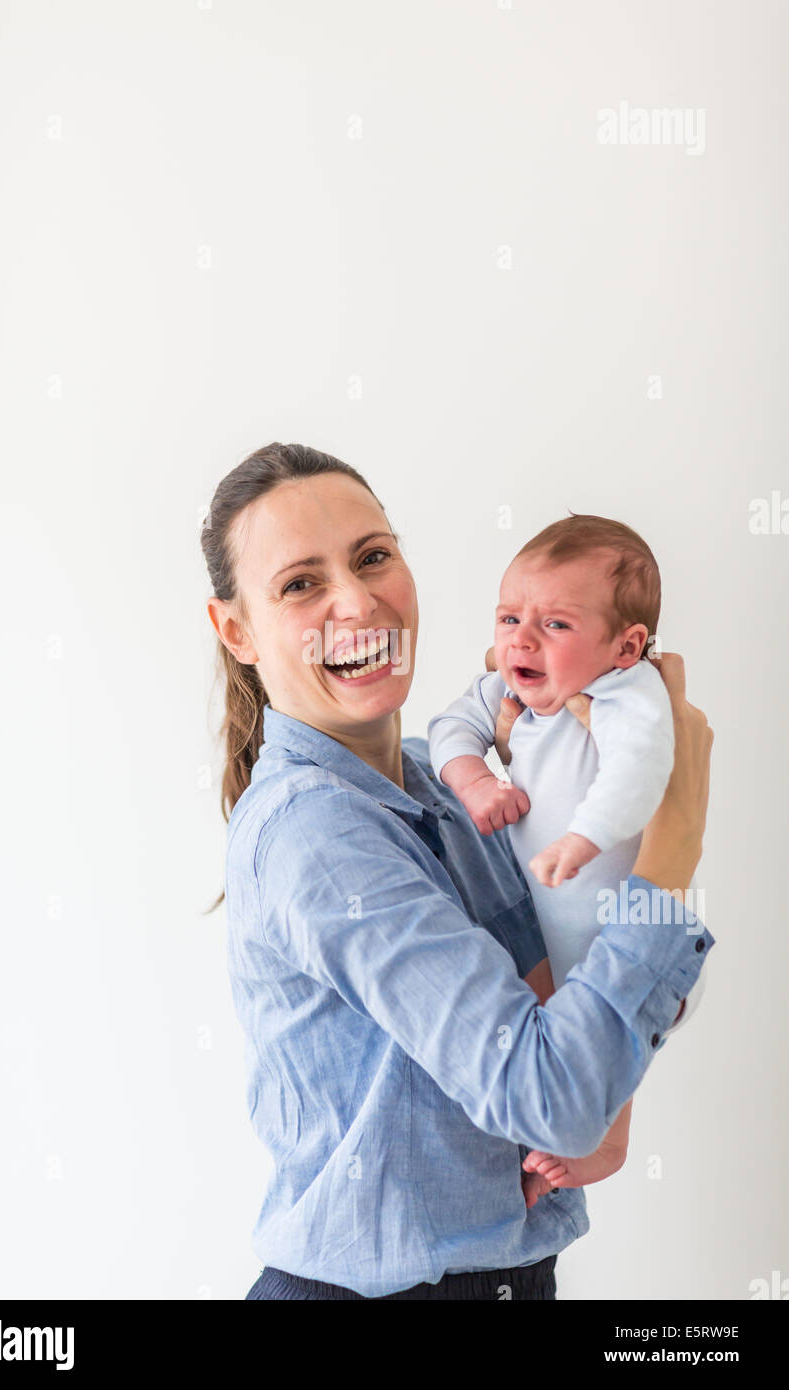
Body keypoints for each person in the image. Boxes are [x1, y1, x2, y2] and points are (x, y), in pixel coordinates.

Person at [201, 442, 714, 1301]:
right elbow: (553, 1098)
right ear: (236, 630)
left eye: (373, 557)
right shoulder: (316, 834)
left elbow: (568, 1006)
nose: (358, 601)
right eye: (300, 583)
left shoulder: (446, 788)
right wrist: (675, 844)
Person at [427, 514, 707, 1196]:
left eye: (555, 624)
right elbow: (449, 727)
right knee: (553, 1045)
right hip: (544, 935)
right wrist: (474, 778)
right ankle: (563, 1142)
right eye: (508, 617)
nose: (520, 638)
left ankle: (609, 1145)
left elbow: (640, 771)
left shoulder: (626, 693)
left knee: (611, 1036)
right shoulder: (512, 685)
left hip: (629, 935)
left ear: (625, 645)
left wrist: (583, 838)